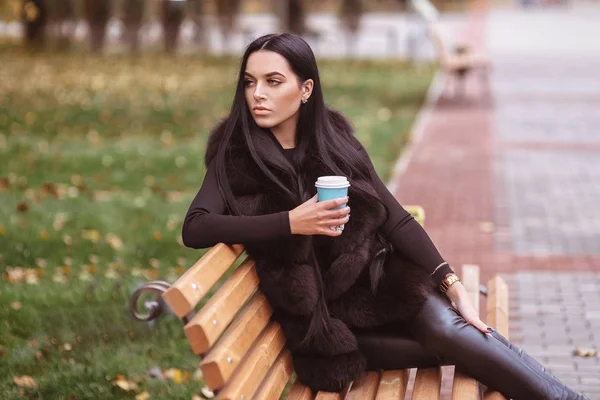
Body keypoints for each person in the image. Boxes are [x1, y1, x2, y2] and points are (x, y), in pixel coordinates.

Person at [181, 33, 588, 400]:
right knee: (464, 340)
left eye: (273, 81)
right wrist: (290, 222)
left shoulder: (334, 141)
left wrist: (451, 282)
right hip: (331, 329)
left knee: (457, 332)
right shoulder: (236, 154)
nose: (258, 95)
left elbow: (396, 218)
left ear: (305, 89)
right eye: (250, 82)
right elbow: (195, 226)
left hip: (383, 285)